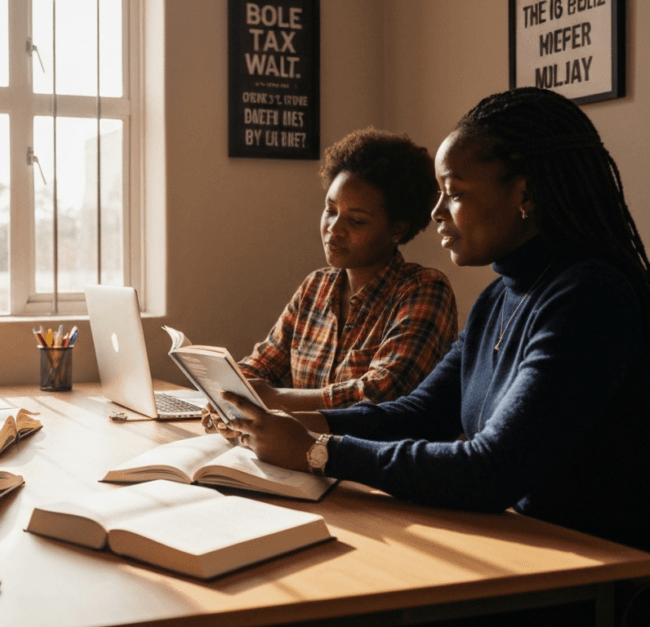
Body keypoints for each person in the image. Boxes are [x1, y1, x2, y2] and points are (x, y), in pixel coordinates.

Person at [220, 88, 650, 554]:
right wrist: (290, 424)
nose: (436, 213)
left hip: (600, 571)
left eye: (456, 194)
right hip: (526, 546)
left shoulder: (589, 296)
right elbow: (420, 414)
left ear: (525, 194)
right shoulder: (496, 298)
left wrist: (317, 451)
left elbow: (491, 470)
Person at [232, 129, 458, 413]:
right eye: (330, 210)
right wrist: (232, 392)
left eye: (356, 221)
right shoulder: (315, 286)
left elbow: (383, 392)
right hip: (292, 451)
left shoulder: (424, 289)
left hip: (374, 455)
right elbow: (262, 364)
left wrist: (273, 399)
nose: (334, 229)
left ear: (397, 229)